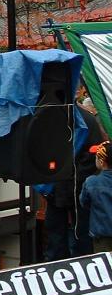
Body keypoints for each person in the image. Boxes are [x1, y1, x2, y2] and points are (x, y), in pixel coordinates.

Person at [43, 99, 106, 260]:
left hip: (76, 188)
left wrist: (72, 178)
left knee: (81, 234)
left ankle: (82, 266)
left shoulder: (86, 119)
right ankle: (55, 267)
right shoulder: (48, 118)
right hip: (56, 189)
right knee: (56, 232)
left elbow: (93, 156)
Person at [80, 140, 112, 253]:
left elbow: (84, 202)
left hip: (102, 235)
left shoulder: (91, 182)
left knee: (104, 267)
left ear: (102, 162)